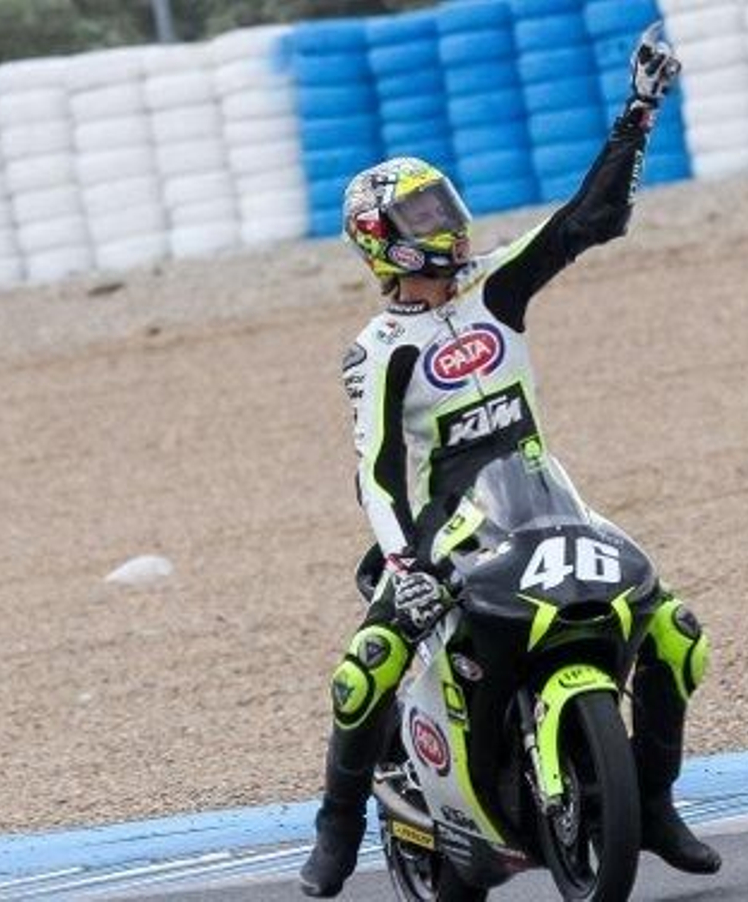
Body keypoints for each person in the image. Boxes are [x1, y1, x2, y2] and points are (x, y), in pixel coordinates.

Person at [300, 24, 719, 898]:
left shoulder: (497, 288)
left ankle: (655, 799)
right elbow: (376, 471)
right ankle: (337, 826)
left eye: (444, 207)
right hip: (441, 528)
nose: (446, 225)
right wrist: (407, 565)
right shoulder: (379, 350)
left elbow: (588, 220)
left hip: (538, 497)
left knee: (676, 633)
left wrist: (638, 110)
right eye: (422, 218)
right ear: (384, 240)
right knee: (364, 665)